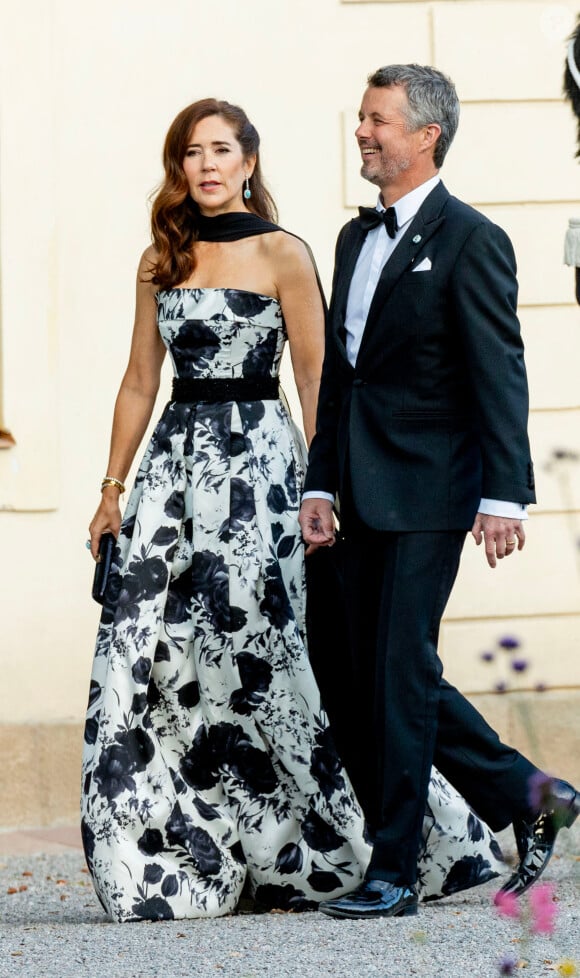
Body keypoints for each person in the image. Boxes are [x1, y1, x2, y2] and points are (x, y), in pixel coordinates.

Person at [82, 97, 505, 924]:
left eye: (220, 151)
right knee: (157, 654)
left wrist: (328, 484)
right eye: (190, 154)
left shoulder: (286, 254)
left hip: (265, 472)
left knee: (279, 657)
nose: (205, 166)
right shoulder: (157, 257)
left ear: (248, 162)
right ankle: (179, 850)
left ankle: (366, 842)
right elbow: (140, 380)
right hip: (174, 475)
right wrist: (111, 489)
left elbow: (319, 381)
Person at [299, 64, 580, 921]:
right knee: (358, 670)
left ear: (427, 135)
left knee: (395, 669)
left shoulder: (471, 238)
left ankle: (394, 872)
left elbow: (500, 371)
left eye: (379, 120)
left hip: (430, 493)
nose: (363, 132)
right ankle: (531, 796)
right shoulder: (354, 240)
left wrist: (506, 495)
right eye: (360, 118)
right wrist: (319, 480)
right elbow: (341, 377)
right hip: (351, 491)